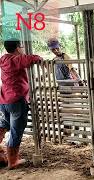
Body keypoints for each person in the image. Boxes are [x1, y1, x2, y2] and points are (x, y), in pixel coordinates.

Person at [0, 38, 42, 169]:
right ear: (18, 47)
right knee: (16, 130)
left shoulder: (3, 59)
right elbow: (31, 58)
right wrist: (39, 58)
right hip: (16, 100)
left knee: (3, 125)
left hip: (3, 99)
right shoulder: (16, 59)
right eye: (22, 47)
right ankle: (12, 162)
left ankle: (1, 155)